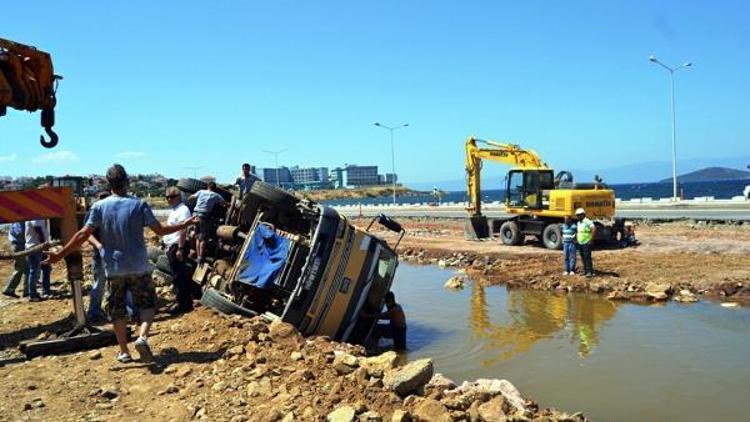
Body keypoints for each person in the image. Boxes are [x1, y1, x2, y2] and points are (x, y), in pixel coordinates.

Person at [44, 164, 198, 364]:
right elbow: (160, 230)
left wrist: (60, 255)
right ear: (127, 181)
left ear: (109, 184)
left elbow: (83, 234)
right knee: (147, 304)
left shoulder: (99, 207)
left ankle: (124, 351)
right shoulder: (139, 204)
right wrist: (184, 225)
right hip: (139, 266)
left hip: (114, 268)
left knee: (117, 310)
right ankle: (142, 337)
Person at [163, 186, 194, 314]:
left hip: (177, 246)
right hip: (172, 246)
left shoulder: (183, 210)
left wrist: (180, 249)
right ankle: (184, 302)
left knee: (178, 276)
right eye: (167, 197)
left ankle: (182, 304)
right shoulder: (175, 210)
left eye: (171, 197)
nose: (168, 199)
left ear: (178, 197)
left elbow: (183, 229)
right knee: (177, 275)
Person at [86, 191, 111, 322]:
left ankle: (126, 310)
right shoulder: (93, 212)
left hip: (114, 254)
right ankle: (94, 311)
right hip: (100, 254)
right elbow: (86, 233)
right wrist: (99, 245)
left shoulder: (112, 211)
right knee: (99, 283)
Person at [189, 182, 226, 265]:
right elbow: (224, 203)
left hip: (195, 214)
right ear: (215, 188)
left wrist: (190, 202)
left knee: (198, 236)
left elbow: (191, 197)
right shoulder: (215, 195)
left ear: (207, 187)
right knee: (203, 238)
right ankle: (200, 258)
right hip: (204, 216)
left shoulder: (201, 191)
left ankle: (198, 255)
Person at [26, 218, 51, 301]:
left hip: (38, 246)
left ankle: (43, 291)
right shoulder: (35, 216)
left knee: (44, 268)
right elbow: (38, 231)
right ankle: (33, 295)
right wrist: (45, 245)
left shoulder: (39, 217)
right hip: (35, 247)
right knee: (34, 271)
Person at [2, 222, 30, 298]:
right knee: (28, 269)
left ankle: (9, 289)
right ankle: (27, 291)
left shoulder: (15, 220)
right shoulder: (19, 221)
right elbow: (20, 232)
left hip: (17, 245)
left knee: (19, 268)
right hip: (19, 245)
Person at [575, 208, 597, 278]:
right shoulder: (578, 222)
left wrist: (591, 239)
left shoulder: (587, 221)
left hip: (586, 242)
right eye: (577, 215)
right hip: (580, 242)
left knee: (587, 257)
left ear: (583, 215)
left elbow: (594, 229)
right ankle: (586, 270)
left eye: (579, 215)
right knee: (583, 257)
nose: (578, 216)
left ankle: (589, 271)